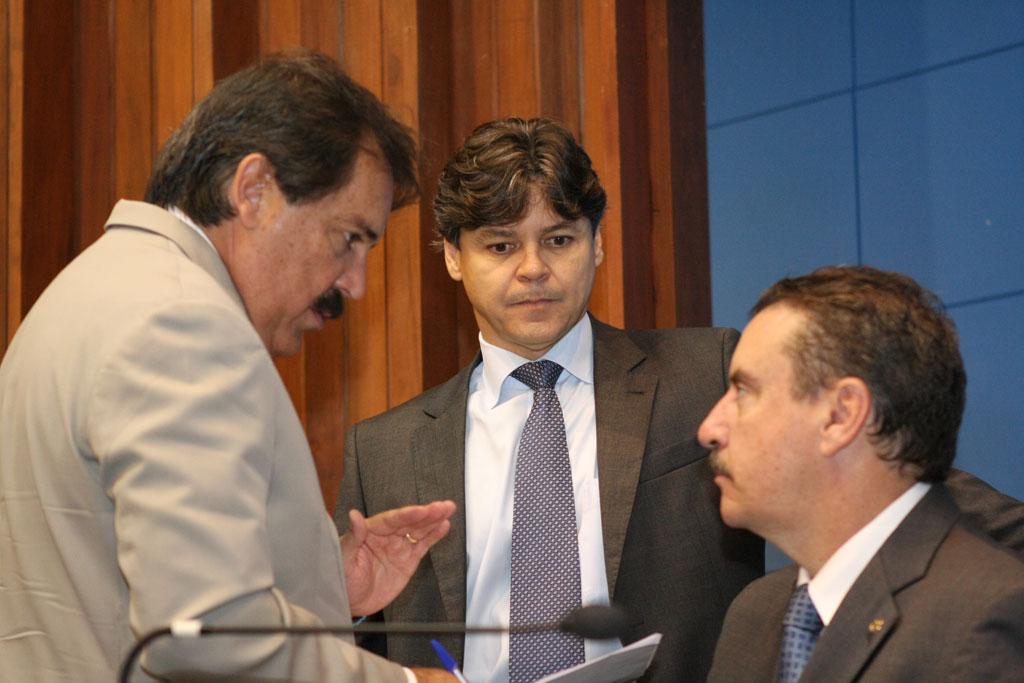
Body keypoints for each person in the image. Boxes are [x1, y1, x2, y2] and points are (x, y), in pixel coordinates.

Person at [0, 51, 456, 683]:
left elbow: (104, 572)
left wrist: (323, 581)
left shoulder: (92, 287)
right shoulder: (185, 325)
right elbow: (205, 635)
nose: (354, 283)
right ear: (254, 191)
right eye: (349, 238)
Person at [334, 117, 764, 683]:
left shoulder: (705, 375)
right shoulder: (381, 450)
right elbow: (341, 647)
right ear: (454, 257)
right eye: (501, 245)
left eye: (559, 240)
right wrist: (347, 603)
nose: (533, 269)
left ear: (597, 243)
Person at [701, 266, 1024, 682]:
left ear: (842, 415)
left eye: (744, 391)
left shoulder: (987, 618)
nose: (709, 429)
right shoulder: (754, 615)